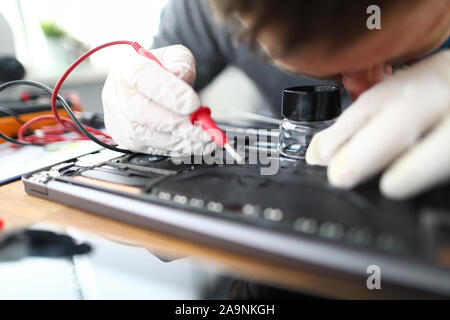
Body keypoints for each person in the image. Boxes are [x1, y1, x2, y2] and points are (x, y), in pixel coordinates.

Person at [102, 0, 450, 200]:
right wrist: (134, 98)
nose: (363, 94)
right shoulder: (205, 8)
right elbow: (156, 79)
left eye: (404, 58)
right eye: (330, 75)